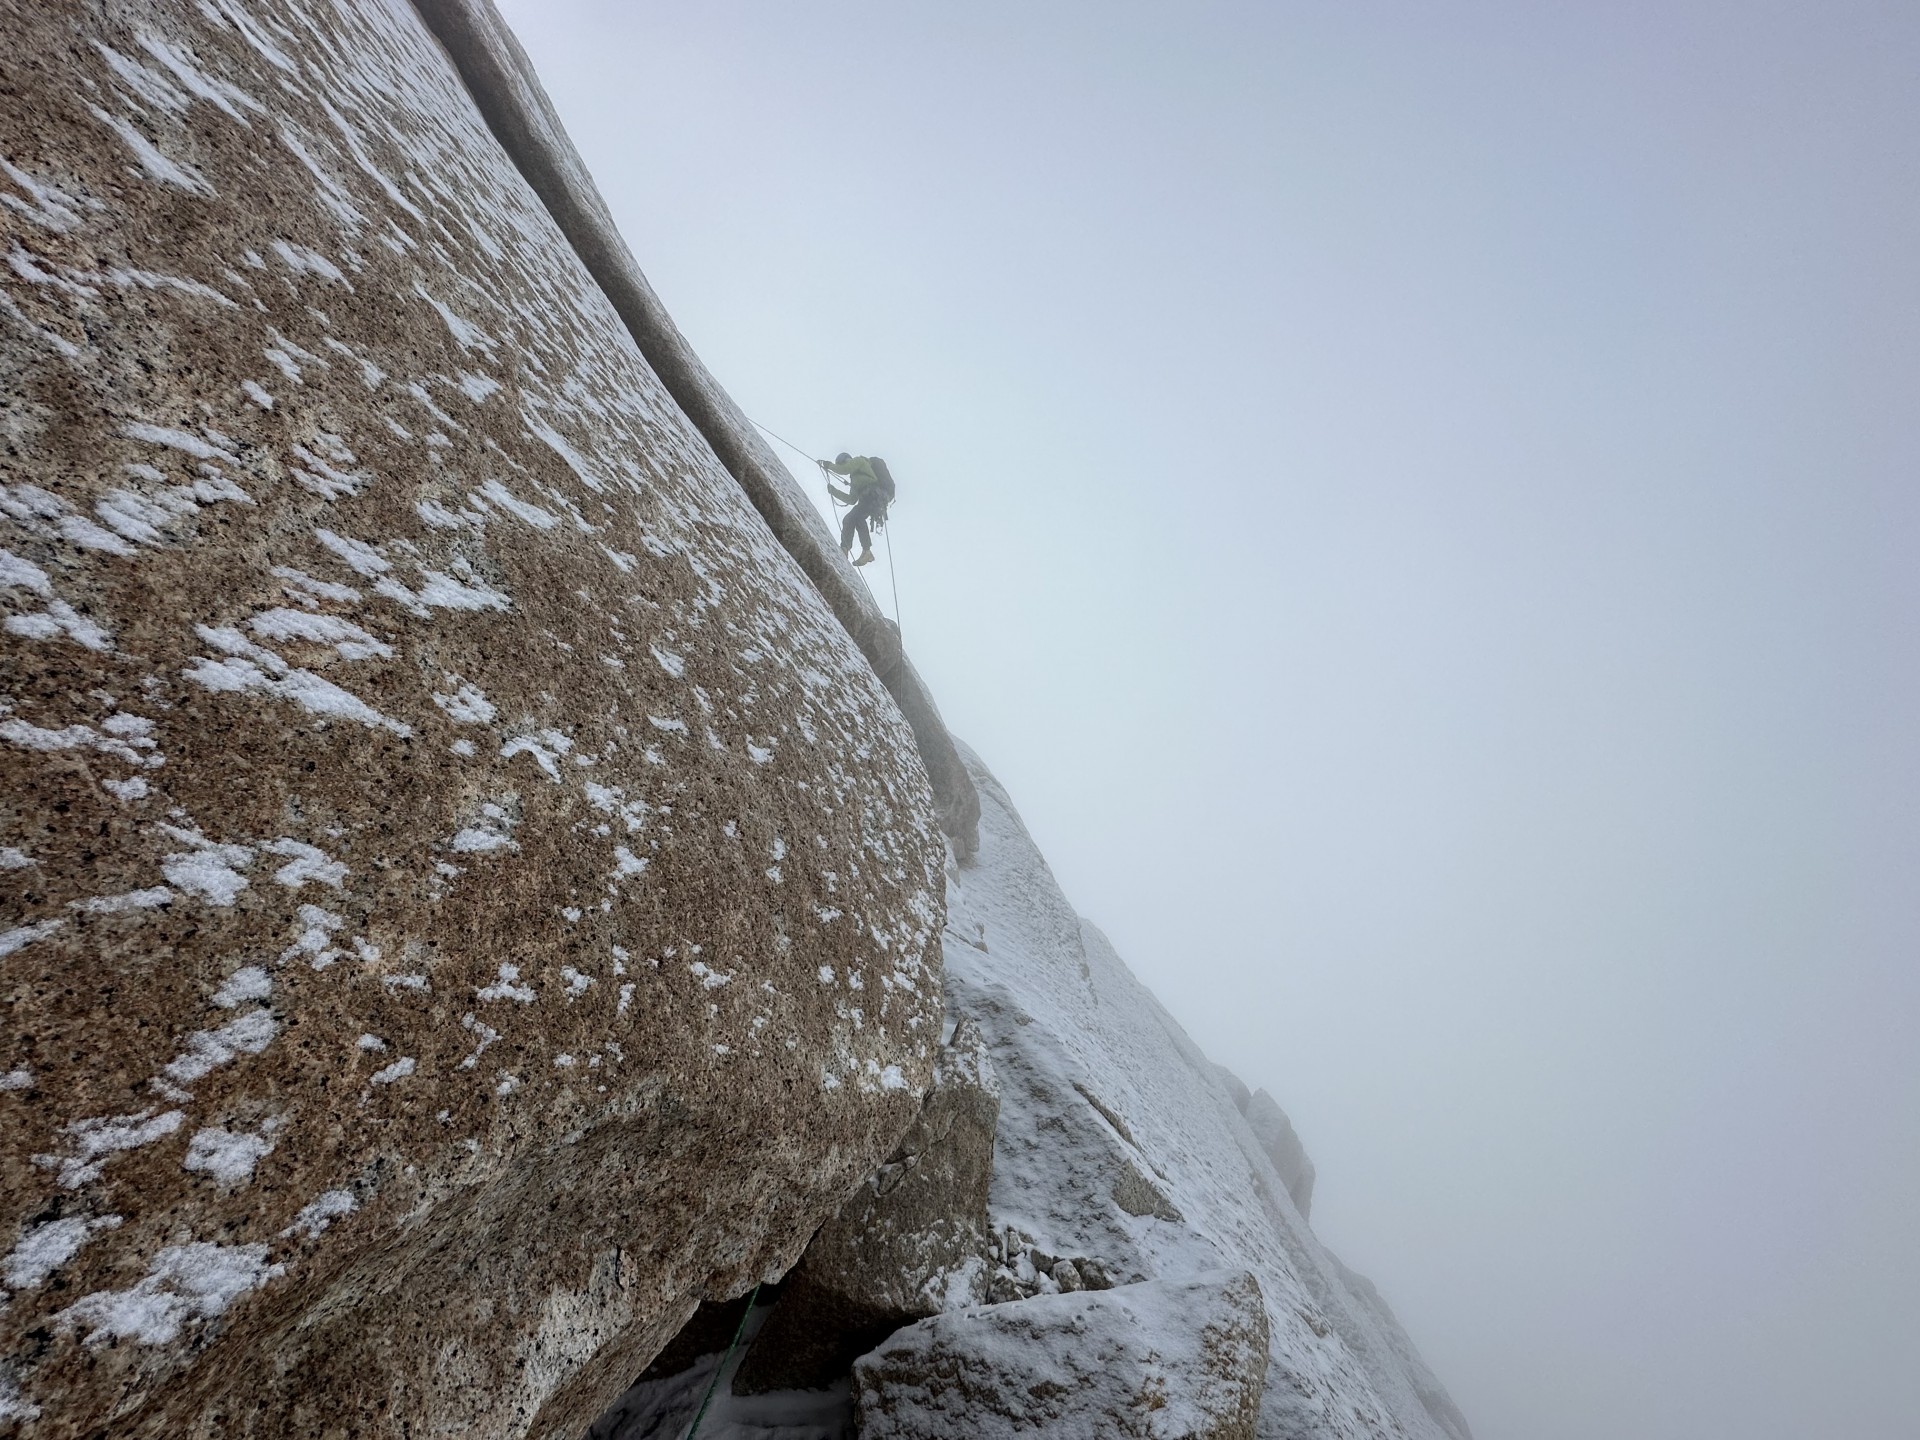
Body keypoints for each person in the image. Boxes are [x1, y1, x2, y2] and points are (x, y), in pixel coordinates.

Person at [821, 452, 892, 566]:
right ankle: (845, 548)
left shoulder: (859, 461)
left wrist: (828, 465)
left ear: (846, 460)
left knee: (857, 517)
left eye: (842, 463)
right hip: (868, 499)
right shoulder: (855, 479)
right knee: (849, 518)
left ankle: (866, 551)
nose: (843, 465)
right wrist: (834, 491)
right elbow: (851, 500)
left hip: (874, 495)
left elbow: (844, 469)